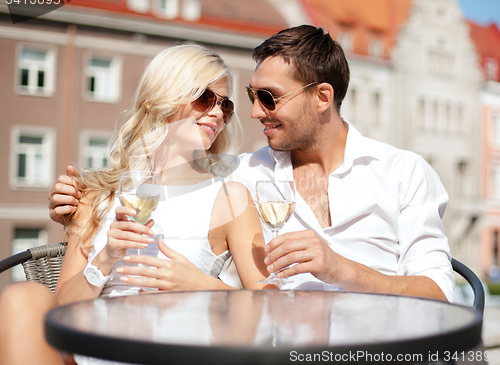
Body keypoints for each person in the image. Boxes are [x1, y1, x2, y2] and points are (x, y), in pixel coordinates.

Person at [49, 25, 454, 302]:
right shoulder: (239, 175)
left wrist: (341, 269)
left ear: (322, 97)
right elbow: (168, 186)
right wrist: (76, 204)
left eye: (269, 98)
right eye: (247, 97)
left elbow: (440, 290)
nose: (252, 112)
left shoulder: (404, 172)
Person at [0, 44, 273, 365]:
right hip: (94, 353)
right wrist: (104, 260)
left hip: (172, 351)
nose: (216, 113)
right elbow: (63, 308)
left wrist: (200, 285)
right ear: (165, 96)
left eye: (225, 107)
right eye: (204, 98)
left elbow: (271, 307)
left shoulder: (229, 196)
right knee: (22, 295)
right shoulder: (97, 192)